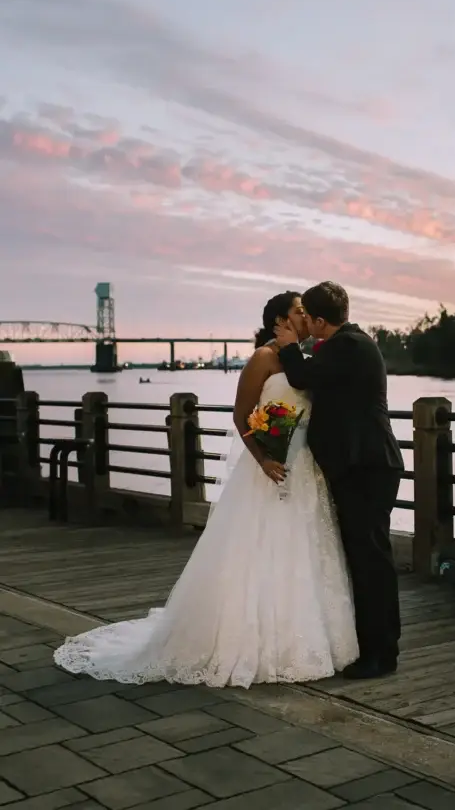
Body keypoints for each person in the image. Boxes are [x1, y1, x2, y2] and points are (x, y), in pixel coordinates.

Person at [53, 291, 358, 688]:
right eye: (298, 311)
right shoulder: (264, 359)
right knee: (259, 547)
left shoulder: (306, 358)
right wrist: (263, 458)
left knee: (305, 547)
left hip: (305, 468)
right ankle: (252, 640)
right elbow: (240, 414)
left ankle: (310, 637)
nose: (305, 316)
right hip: (269, 468)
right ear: (279, 321)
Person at [275, 281, 403, 680]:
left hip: (365, 466)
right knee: (369, 560)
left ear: (317, 319)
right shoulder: (350, 343)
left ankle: (380, 656)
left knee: (371, 563)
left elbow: (301, 376)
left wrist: (286, 346)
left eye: (307, 318)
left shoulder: (347, 345)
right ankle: (379, 650)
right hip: (364, 465)